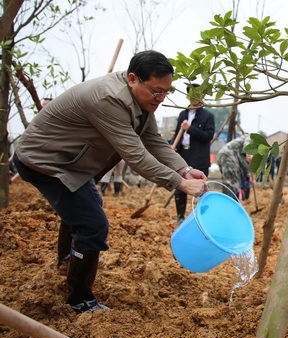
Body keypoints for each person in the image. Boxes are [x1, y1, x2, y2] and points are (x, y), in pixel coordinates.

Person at [13, 50, 208, 314]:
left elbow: (152, 142)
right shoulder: (108, 99)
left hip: (71, 164)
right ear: (132, 79)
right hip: (45, 161)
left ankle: (69, 260)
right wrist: (179, 184)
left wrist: (184, 169)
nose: (161, 99)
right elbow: (135, 154)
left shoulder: (142, 102)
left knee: (85, 208)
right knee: (92, 224)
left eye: (167, 92)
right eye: (156, 91)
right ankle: (80, 300)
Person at [171, 83, 215, 224]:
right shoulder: (182, 114)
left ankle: (203, 219)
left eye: (197, 94)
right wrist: (173, 145)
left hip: (199, 157)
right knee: (180, 186)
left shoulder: (207, 116)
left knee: (202, 187)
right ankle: (180, 216)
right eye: (191, 94)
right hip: (184, 155)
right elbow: (178, 133)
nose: (193, 97)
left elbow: (208, 135)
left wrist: (190, 128)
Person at [217, 134, 253, 199]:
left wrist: (249, 176)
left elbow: (244, 165)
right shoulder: (251, 137)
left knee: (229, 182)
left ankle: (230, 203)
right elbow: (249, 139)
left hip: (224, 156)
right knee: (232, 184)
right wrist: (249, 152)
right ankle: (231, 205)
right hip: (228, 157)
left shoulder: (241, 154)